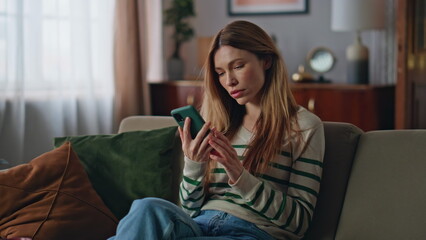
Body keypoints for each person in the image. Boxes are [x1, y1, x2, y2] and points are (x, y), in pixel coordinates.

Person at [108, 20, 325, 240]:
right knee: (146, 208)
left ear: (266, 61)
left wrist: (239, 175)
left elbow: (299, 223)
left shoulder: (304, 126)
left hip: (252, 232)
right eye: (220, 72)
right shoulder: (218, 123)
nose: (229, 81)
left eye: (238, 66)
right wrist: (194, 163)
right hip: (199, 225)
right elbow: (189, 211)